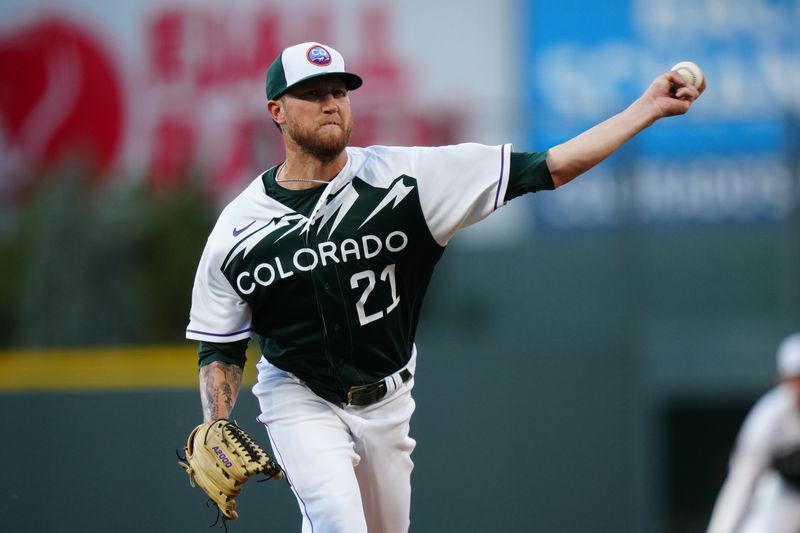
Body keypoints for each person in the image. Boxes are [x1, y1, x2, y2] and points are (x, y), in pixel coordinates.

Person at [186, 41, 705, 533]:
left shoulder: (407, 178)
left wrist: (647, 108)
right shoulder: (239, 230)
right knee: (337, 521)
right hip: (300, 394)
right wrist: (216, 422)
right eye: (313, 94)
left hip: (388, 398)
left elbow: (551, 166)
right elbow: (221, 343)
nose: (331, 104)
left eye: (339, 92)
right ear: (277, 110)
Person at [706, 333, 800, 533]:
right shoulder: (768, 416)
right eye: (795, 379)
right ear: (782, 379)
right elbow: (742, 481)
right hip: (787, 493)